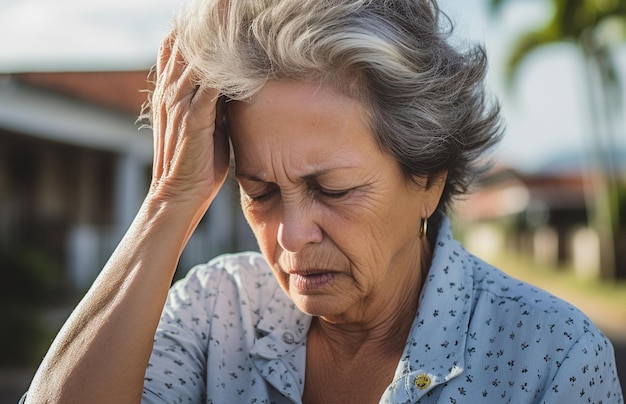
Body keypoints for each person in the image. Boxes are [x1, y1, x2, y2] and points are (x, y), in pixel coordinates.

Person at [23, 0, 623, 402]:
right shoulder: (214, 313)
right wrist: (169, 200)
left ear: (429, 179)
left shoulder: (550, 355)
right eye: (259, 192)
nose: (290, 236)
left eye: (332, 190)